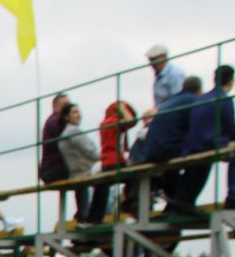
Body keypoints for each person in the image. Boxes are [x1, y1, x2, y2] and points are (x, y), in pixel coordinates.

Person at [139, 76, 205, 214]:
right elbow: (196, 128)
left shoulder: (172, 101)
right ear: (199, 90)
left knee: (176, 166)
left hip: (151, 150)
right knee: (203, 158)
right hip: (166, 149)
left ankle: (174, 202)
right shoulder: (192, 100)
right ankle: (184, 201)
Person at [178, 65, 235, 214]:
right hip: (208, 142)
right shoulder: (223, 99)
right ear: (231, 80)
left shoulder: (202, 98)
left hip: (191, 145)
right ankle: (233, 197)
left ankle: (182, 198)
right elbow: (230, 128)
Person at [86, 99, 139, 224]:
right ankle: (129, 203)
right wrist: (123, 108)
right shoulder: (115, 122)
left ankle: (93, 218)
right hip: (116, 160)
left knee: (102, 187)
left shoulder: (105, 122)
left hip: (106, 161)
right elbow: (132, 121)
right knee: (136, 177)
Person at [58, 103, 100, 225]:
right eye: (74, 112)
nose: (78, 115)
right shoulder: (73, 131)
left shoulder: (64, 133)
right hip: (83, 171)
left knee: (82, 200)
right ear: (66, 117)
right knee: (103, 184)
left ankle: (82, 217)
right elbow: (91, 151)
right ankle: (90, 219)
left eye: (78, 112)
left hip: (75, 172)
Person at [38, 92, 71, 191]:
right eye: (65, 105)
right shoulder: (55, 121)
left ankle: (86, 206)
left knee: (80, 170)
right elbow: (70, 140)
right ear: (55, 106)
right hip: (53, 169)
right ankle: (85, 207)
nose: (68, 108)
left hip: (51, 169)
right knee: (81, 171)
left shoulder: (55, 121)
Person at [148, 44, 185, 110]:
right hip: (162, 111)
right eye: (150, 60)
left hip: (172, 112)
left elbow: (178, 99)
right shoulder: (159, 75)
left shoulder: (175, 74)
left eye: (154, 60)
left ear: (163, 57)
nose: (152, 64)